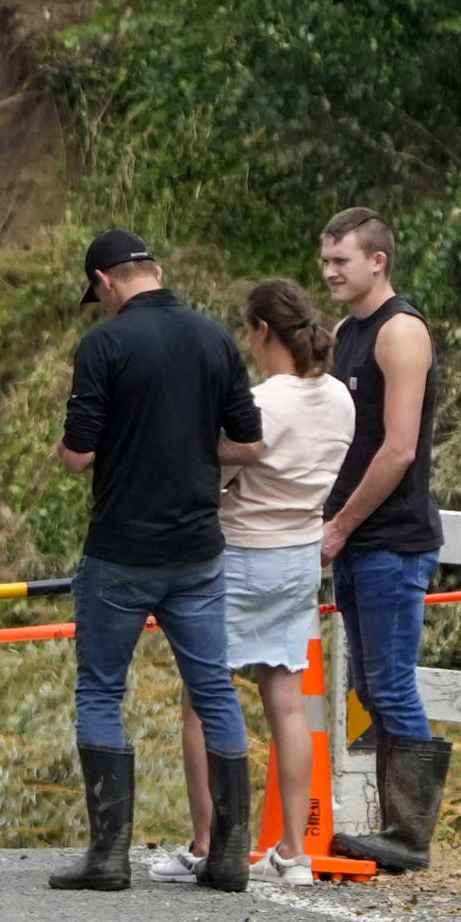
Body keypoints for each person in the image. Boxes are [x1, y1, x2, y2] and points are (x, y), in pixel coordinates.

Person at [49, 228, 263, 893]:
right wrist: (192, 447)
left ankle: (108, 858)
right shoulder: (215, 339)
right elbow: (249, 444)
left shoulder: (104, 345)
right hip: (197, 551)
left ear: (105, 282)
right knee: (214, 690)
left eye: (99, 294)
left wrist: (116, 445)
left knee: (101, 690)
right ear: (157, 270)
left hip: (120, 551)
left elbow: (79, 454)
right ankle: (229, 859)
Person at [171, 279, 354, 885]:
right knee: (287, 697)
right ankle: (294, 853)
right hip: (300, 553)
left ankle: (207, 842)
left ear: (260, 332)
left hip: (241, 554)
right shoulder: (339, 400)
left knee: (202, 700)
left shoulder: (262, 403)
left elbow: (213, 466)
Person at [316, 207, 449, 873]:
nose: (330, 272)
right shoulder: (345, 333)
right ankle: (395, 822)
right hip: (353, 536)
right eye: (326, 261)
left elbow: (398, 449)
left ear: (378, 261)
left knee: (390, 685)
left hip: (392, 537)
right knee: (367, 685)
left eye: (341, 260)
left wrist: (339, 525)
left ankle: (410, 833)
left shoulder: (401, 333)